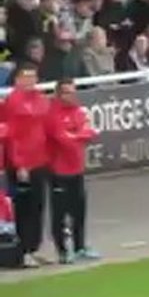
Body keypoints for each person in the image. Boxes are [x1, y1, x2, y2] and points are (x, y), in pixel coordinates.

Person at [46, 79, 98, 264]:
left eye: (73, 92)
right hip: (58, 171)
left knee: (79, 211)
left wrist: (75, 135)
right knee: (60, 213)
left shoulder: (78, 111)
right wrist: (78, 136)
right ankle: (62, 251)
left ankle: (79, 247)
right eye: (67, 92)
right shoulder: (52, 115)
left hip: (76, 169)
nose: (72, 96)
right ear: (58, 94)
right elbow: (62, 139)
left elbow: (90, 132)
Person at [3, 65, 50, 268]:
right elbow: (12, 137)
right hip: (22, 164)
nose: (31, 81)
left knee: (38, 206)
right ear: (17, 80)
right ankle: (22, 251)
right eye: (26, 77)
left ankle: (33, 248)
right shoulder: (13, 103)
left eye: (33, 77)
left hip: (40, 160)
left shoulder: (40, 99)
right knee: (25, 208)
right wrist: (19, 164)